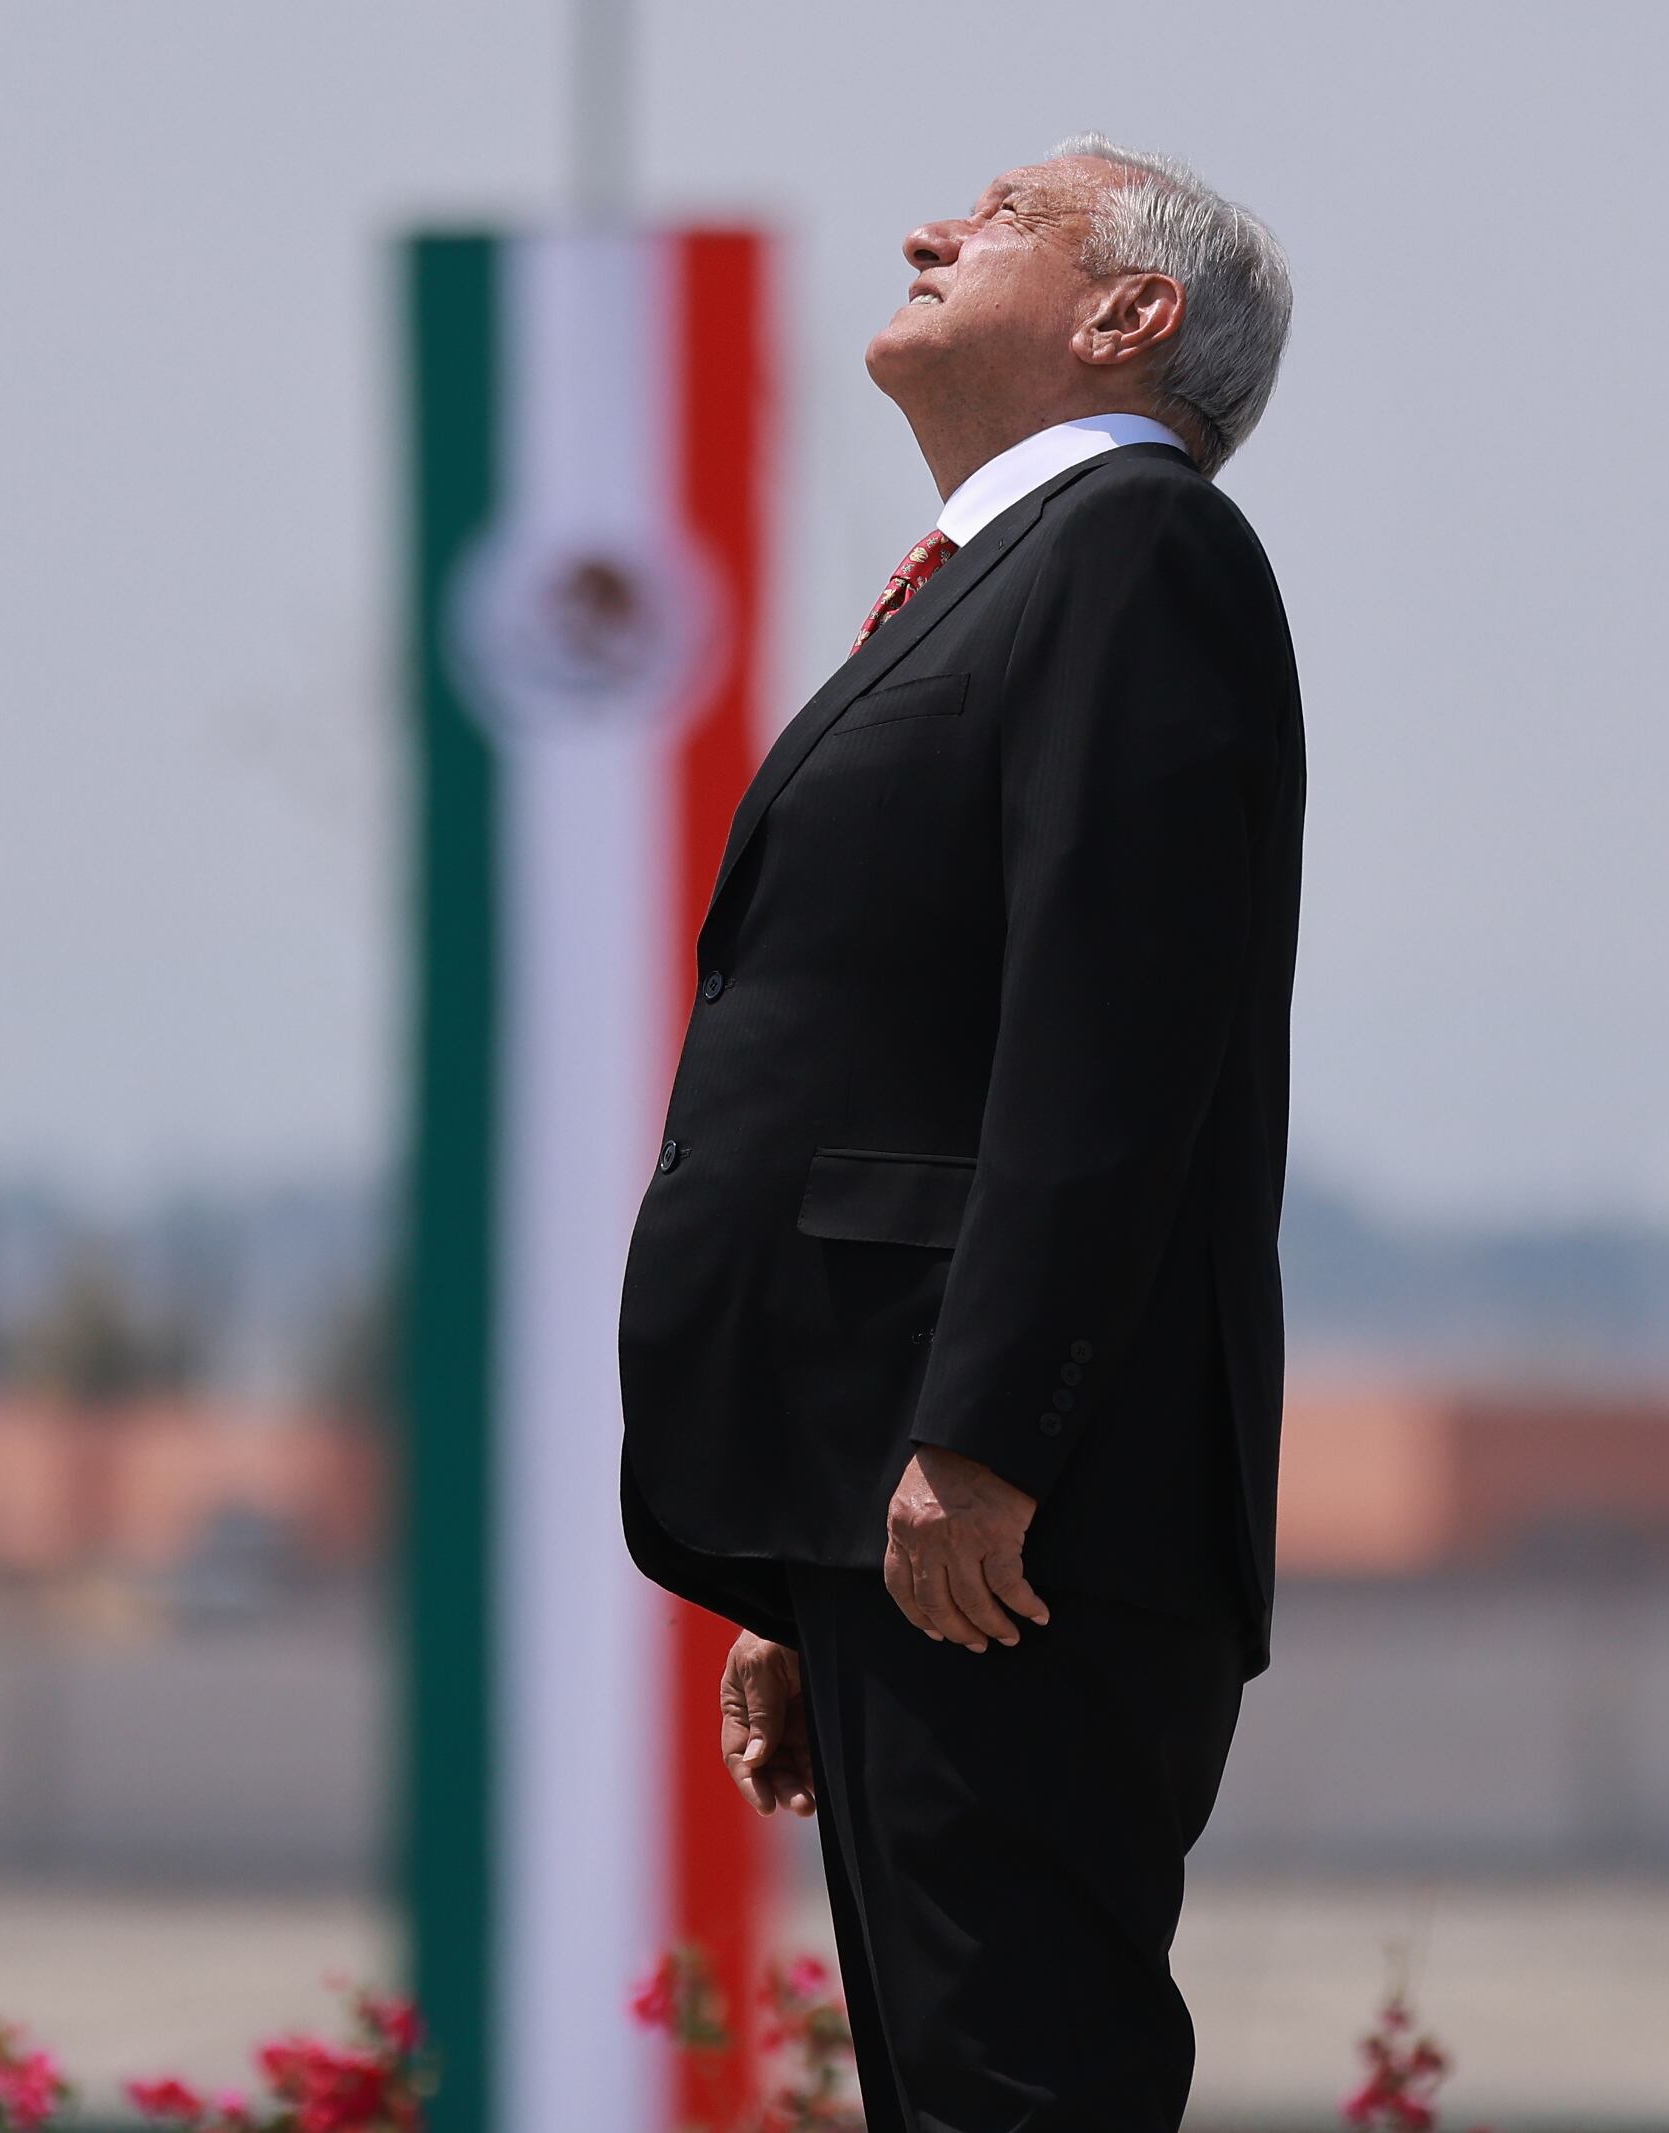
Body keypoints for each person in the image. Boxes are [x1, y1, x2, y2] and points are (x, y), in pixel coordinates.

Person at [616, 135, 1302, 2130]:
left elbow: (1109, 1030)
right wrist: (813, 1554)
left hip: (1013, 1522)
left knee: (1025, 2089)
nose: (926, 228)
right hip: (916, 1524)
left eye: (1001, 218)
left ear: (1126, 315)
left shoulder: (1134, 555)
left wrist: (977, 1441)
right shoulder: (1015, 574)